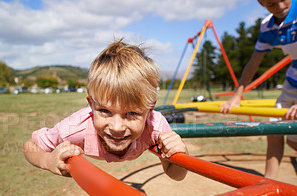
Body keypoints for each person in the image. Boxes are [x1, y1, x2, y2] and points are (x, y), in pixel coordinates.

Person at [24, 40, 188, 181]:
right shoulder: (74, 129)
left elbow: (175, 174)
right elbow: (30, 146)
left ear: (150, 109)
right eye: (105, 111)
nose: (117, 127)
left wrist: (181, 154)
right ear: (91, 105)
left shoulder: (156, 127)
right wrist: (47, 160)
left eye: (131, 113)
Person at [220, 0, 297, 181]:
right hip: (295, 80)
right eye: (273, 4)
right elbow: (254, 62)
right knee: (273, 129)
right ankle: (268, 181)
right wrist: (237, 95)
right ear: (261, 3)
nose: (281, 6)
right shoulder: (268, 25)